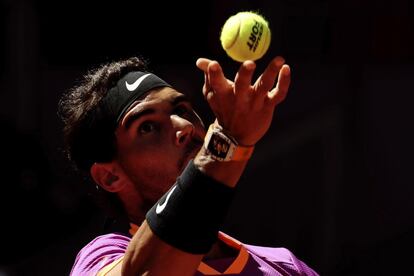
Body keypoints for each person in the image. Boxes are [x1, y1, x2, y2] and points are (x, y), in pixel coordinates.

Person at [59, 55, 319, 275]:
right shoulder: (99, 259)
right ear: (110, 176)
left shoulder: (284, 265)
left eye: (182, 110)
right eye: (147, 127)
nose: (184, 126)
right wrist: (226, 140)